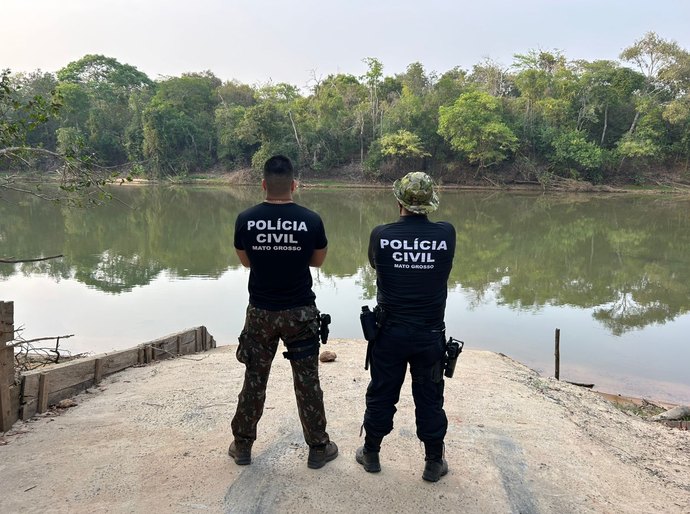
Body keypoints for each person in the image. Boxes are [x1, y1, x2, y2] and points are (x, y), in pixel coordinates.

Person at [229, 155, 338, 469]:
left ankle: (243, 446)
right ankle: (318, 448)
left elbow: (247, 262)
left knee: (254, 378)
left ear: (263, 184)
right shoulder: (311, 220)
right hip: (300, 314)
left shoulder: (245, 219)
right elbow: (317, 262)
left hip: (261, 312)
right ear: (294, 185)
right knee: (307, 381)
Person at [357, 171, 456, 482]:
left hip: (389, 334)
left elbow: (375, 264)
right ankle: (432, 463)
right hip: (429, 336)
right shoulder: (446, 234)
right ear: (430, 204)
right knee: (430, 398)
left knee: (382, 392)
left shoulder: (380, 234)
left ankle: (371, 453)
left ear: (398, 200)